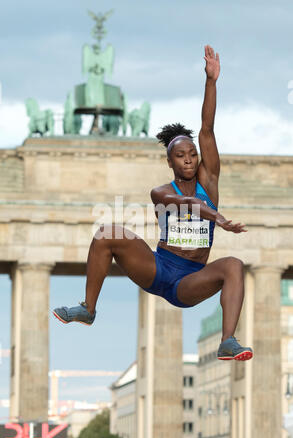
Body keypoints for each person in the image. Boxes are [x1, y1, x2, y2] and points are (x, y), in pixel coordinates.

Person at [53, 45, 253, 361]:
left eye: (192, 155)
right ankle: (88, 308)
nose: (188, 160)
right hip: (158, 267)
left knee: (233, 265)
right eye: (180, 156)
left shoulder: (209, 182)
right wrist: (219, 219)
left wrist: (211, 82)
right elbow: (186, 203)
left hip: (189, 279)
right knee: (107, 233)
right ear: (170, 162)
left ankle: (228, 341)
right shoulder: (161, 191)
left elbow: (207, 129)